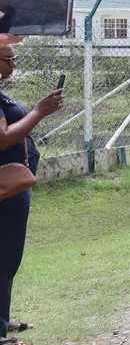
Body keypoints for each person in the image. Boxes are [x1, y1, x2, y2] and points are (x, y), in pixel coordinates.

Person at [0, 43, 64, 342]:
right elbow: (2, 139)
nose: (14, 65)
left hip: (12, 187)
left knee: (8, 257)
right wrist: (39, 111)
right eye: (9, 60)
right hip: (6, 188)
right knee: (4, 256)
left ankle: (1, 319)